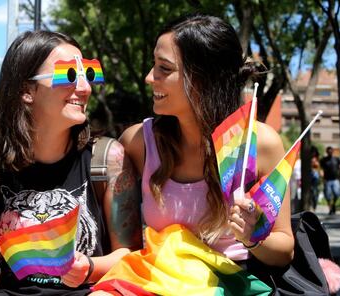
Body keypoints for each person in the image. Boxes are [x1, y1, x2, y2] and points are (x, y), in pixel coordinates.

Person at [0, 30, 142, 295]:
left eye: (88, 73)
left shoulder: (109, 158)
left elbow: (132, 255)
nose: (85, 87)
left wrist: (90, 267)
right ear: (26, 90)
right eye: (68, 75)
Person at [120, 13, 294, 287]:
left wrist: (253, 237)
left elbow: (284, 250)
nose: (149, 78)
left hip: (234, 285)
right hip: (157, 283)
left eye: (164, 68)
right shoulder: (138, 142)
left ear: (203, 78)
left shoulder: (260, 144)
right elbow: (123, 248)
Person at [320, 146, 340, 215]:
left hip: (335, 179)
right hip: (327, 180)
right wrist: (322, 178)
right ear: (327, 152)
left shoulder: (336, 159)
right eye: (328, 151)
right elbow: (321, 169)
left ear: (332, 151)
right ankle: (330, 209)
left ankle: (333, 205)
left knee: (337, 194)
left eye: (331, 151)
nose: (330, 152)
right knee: (328, 196)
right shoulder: (323, 160)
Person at [310, 146, 321, 211]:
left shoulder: (317, 159)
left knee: (315, 191)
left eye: (314, 152)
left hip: (316, 176)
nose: (313, 153)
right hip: (311, 175)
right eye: (312, 152)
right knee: (312, 191)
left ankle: (314, 204)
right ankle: (312, 204)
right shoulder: (308, 158)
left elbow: (318, 167)